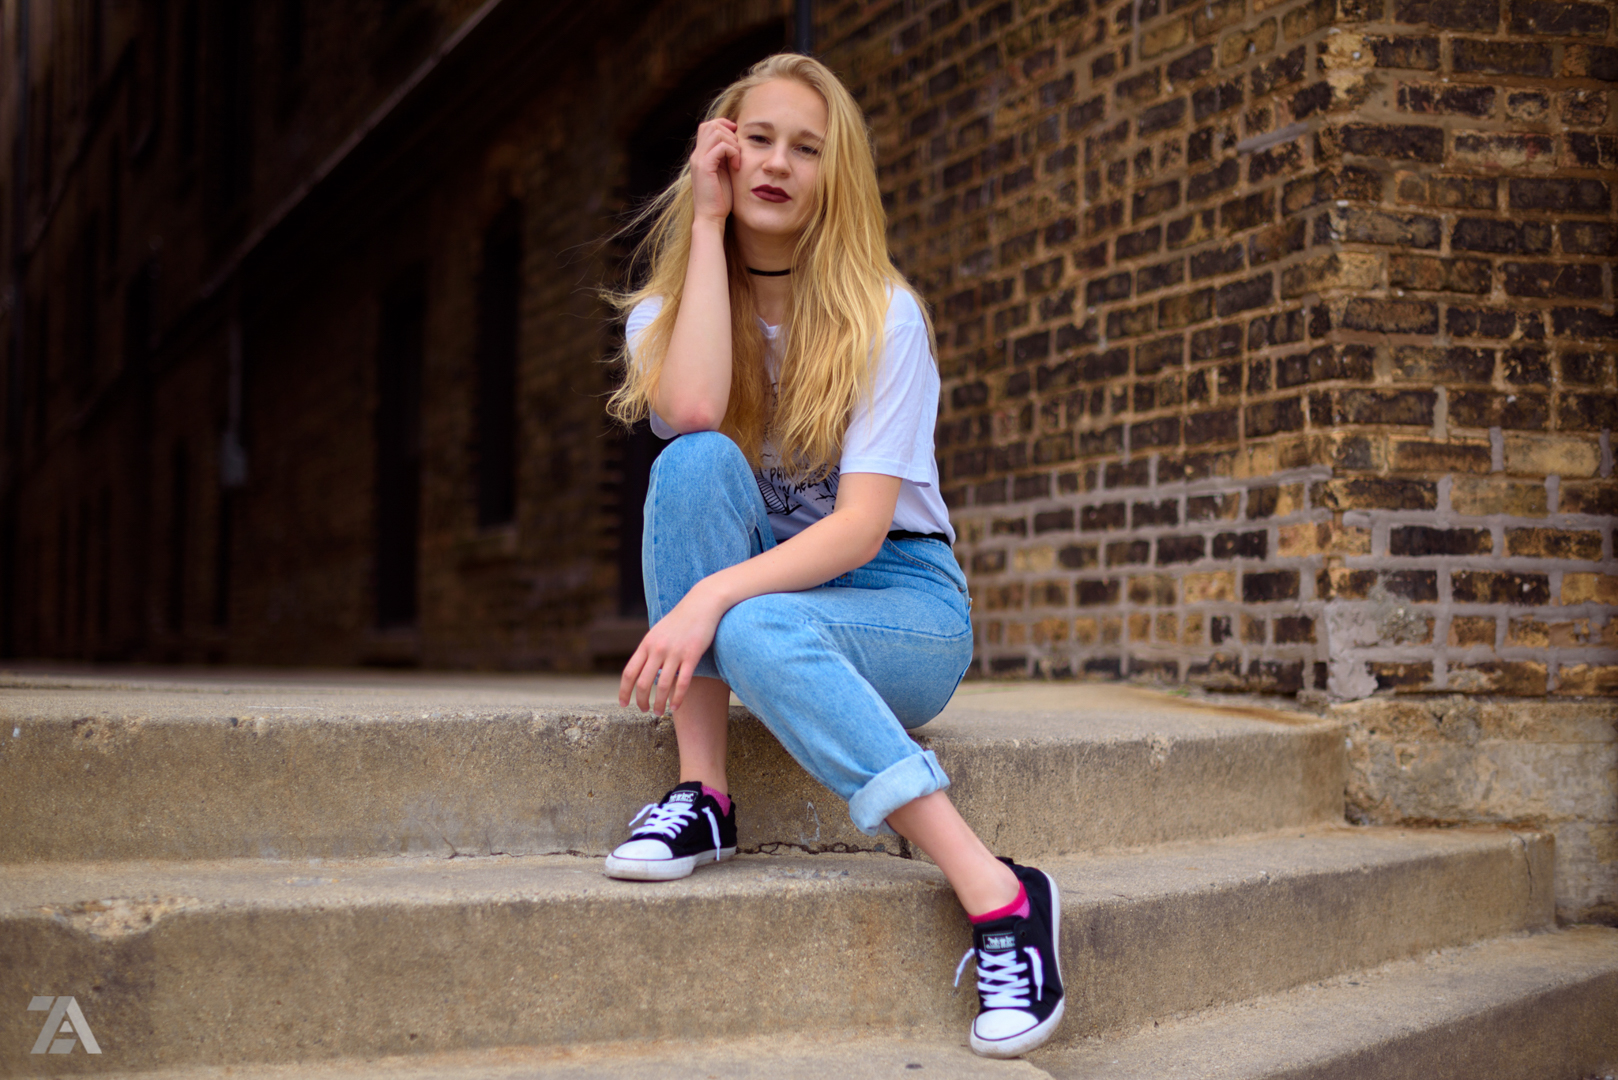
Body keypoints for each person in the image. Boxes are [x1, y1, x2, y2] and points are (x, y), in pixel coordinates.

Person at [602, 53, 1065, 1059]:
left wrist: (709, 600)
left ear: (834, 174)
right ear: (720, 154)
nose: (777, 163)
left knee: (758, 623)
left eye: (806, 149)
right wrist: (708, 226)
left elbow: (858, 529)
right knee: (691, 466)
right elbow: (692, 412)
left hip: (900, 603)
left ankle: (1000, 895)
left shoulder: (880, 314)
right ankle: (702, 795)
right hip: (771, 594)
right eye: (757, 139)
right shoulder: (663, 318)